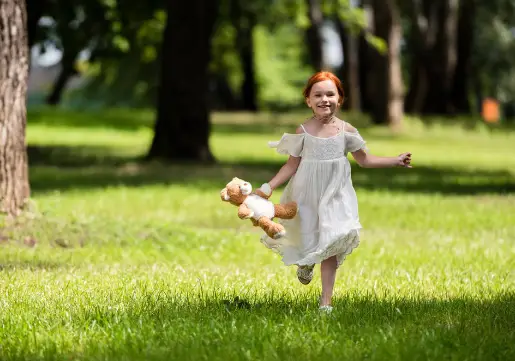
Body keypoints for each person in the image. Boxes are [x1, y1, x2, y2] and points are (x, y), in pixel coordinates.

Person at [255, 71, 412, 312]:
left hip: (336, 194)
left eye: (330, 94)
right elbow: (291, 164)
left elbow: (365, 160)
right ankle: (306, 262)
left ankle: (325, 302)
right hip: (306, 193)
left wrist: (395, 160)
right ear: (308, 100)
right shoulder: (303, 131)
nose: (324, 99)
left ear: (340, 98)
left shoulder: (346, 130)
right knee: (309, 235)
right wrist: (269, 187)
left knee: (333, 240)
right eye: (317, 95)